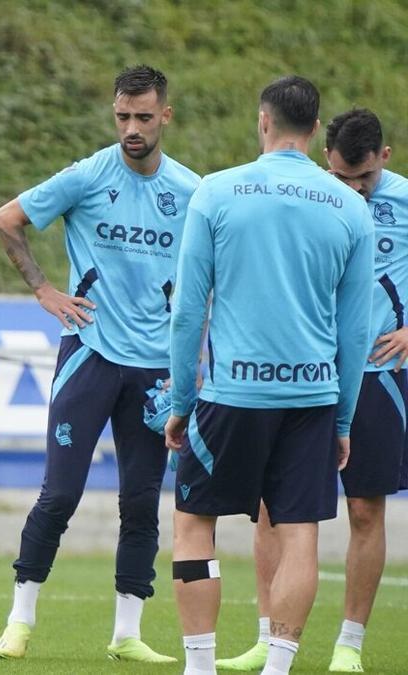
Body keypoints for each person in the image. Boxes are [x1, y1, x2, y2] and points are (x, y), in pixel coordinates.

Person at [0, 65, 198, 663]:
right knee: (60, 495)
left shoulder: (191, 192)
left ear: (165, 116)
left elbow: (210, 278)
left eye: (142, 117)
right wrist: (44, 291)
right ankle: (19, 620)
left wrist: (194, 350)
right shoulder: (86, 175)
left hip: (156, 368)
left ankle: (128, 633)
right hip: (90, 354)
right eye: (122, 116)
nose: (131, 128)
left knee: (140, 502)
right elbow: (7, 220)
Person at [165, 76, 373, 675]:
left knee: (193, 522)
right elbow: (354, 332)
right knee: (300, 533)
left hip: (232, 394)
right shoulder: (351, 207)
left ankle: (199, 667)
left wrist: (183, 401)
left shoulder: (217, 192)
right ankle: (278, 668)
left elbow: (187, 311)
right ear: (314, 130)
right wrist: (343, 419)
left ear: (263, 121)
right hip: (311, 398)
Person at [216, 108, 408, 674]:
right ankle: (266, 637)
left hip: (375, 375)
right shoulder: (309, 197)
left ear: (385, 159)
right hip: (304, 373)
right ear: (325, 157)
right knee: (271, 509)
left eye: (364, 180)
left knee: (366, 511)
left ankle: (348, 643)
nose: (353, 189)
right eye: (343, 177)